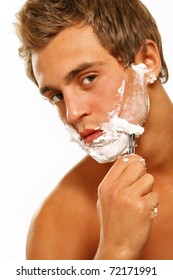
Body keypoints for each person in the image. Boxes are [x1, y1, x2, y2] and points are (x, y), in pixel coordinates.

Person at [15, 0, 173, 260]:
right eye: (56, 96)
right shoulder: (59, 219)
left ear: (148, 60)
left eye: (88, 78)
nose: (72, 113)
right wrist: (115, 251)